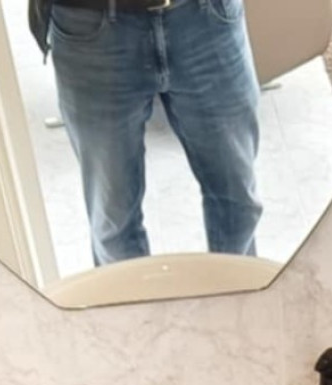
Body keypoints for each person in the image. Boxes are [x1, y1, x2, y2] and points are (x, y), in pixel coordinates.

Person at [30, 0, 264, 265]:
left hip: (206, 15)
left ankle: (240, 291)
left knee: (239, 205)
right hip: (90, 23)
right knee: (113, 224)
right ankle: (130, 296)